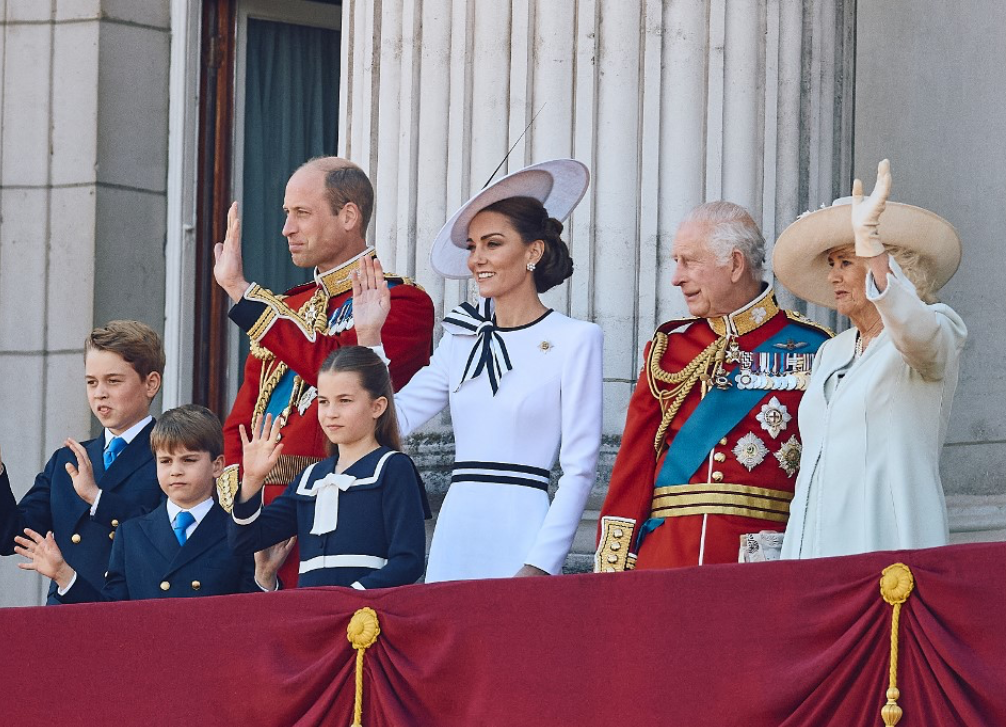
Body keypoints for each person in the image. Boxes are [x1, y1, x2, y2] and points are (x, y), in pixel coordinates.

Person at [353, 159, 603, 582]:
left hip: (525, 531)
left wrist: (542, 562)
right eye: (472, 246)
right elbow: (395, 418)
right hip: (457, 532)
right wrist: (370, 336)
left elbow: (580, 468)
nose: (476, 259)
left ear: (533, 252)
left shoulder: (576, 339)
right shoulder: (461, 336)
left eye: (492, 244)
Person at [213, 156, 435, 587]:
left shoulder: (403, 302)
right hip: (262, 520)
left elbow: (336, 368)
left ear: (348, 214)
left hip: (344, 511)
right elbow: (243, 419)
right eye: (286, 214)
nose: (287, 229)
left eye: (301, 213)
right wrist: (246, 495)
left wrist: (242, 292)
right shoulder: (286, 308)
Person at [595, 202, 833, 571]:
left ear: (735, 264)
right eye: (676, 261)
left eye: (688, 261)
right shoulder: (669, 349)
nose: (676, 277)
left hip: (764, 563)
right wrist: (613, 569)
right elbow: (633, 469)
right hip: (667, 560)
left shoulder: (816, 348)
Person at [773, 160, 966, 558]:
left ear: (892, 264)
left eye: (846, 262)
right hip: (813, 554)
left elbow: (918, 333)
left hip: (886, 546)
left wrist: (872, 249)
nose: (833, 276)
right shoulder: (832, 351)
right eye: (832, 264)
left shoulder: (937, 332)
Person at [0, 320, 166, 604]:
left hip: (132, 617)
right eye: (91, 382)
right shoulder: (68, 460)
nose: (99, 392)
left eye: (113, 381)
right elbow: (10, 537)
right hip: (64, 617)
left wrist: (97, 498)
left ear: (150, 383)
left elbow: (166, 539)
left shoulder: (169, 457)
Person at [13, 405, 291, 600]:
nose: (176, 470)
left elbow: (248, 621)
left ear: (217, 465)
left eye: (189, 460)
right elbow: (110, 615)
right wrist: (64, 575)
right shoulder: (131, 532)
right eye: (165, 461)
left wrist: (264, 579)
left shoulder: (236, 535)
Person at [229, 347, 428, 589]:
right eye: (323, 402)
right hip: (313, 615)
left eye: (344, 401)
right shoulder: (310, 478)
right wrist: (251, 480)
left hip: (368, 618)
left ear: (377, 407)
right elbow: (245, 541)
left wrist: (351, 598)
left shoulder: (393, 468)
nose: (331, 413)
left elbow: (409, 560)